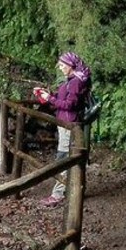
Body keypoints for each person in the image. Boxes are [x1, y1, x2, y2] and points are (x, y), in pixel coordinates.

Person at [33, 51, 91, 207]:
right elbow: (63, 100)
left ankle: (58, 194)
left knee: (63, 158)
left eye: (62, 64)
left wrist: (49, 98)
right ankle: (73, 188)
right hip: (66, 123)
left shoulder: (75, 82)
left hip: (69, 124)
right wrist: (48, 95)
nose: (60, 67)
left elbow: (70, 105)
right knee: (68, 156)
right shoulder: (73, 80)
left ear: (71, 65)